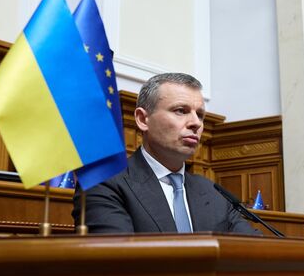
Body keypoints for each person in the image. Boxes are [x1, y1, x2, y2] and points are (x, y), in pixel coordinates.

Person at [72, 73, 261, 235]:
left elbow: (256, 250)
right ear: (142, 119)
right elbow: (116, 258)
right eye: (181, 111)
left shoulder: (213, 192)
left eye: (200, 115)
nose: (196, 123)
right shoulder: (103, 182)